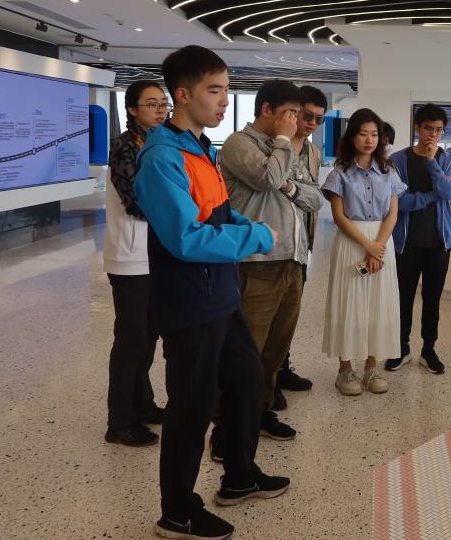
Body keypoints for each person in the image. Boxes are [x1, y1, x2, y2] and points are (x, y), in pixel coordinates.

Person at [135, 46, 288, 540]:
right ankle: (177, 511)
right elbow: (185, 238)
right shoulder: (162, 157)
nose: (224, 100)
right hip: (190, 301)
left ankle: (240, 476)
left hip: (220, 293)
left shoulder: (200, 146)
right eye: (214, 90)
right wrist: (257, 237)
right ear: (183, 94)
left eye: (226, 90)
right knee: (192, 406)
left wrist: (247, 224)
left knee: (245, 377)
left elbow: (218, 211)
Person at [218, 79, 324, 447]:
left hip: (292, 261)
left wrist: (289, 186)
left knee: (275, 350)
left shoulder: (285, 150)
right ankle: (227, 428)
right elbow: (267, 178)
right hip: (256, 263)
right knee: (246, 351)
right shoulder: (240, 144)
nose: (296, 121)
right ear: (267, 110)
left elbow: (315, 199)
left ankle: (260, 412)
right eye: (290, 113)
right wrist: (282, 145)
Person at [321, 109, 406, 396]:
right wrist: (367, 246)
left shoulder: (390, 171)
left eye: (374, 134)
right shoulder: (340, 173)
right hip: (352, 241)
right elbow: (339, 216)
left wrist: (377, 247)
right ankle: (345, 370)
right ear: (351, 137)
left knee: (379, 303)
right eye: (362, 134)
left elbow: (393, 213)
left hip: (382, 242)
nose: (369, 140)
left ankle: (371, 368)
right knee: (349, 303)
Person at [103, 79, 167, 448]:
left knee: (147, 337)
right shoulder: (124, 146)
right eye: (151, 104)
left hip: (153, 255)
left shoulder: (158, 144)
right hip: (129, 258)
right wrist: (177, 209)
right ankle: (119, 422)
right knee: (130, 341)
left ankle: (143, 405)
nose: (160, 110)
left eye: (163, 104)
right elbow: (135, 200)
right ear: (131, 109)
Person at [386, 104, 451, 374]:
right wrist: (430, 196)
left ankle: (429, 349)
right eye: (429, 128)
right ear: (417, 128)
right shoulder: (398, 160)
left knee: (432, 299)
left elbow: (448, 192)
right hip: (406, 243)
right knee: (403, 298)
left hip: (438, 244)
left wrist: (431, 163)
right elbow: (398, 201)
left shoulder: (447, 160)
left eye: (439, 130)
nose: (434, 135)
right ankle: (401, 347)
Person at [270, 85, 329, 410]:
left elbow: (314, 198)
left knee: (289, 313)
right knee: (270, 314)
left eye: (319, 119)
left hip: (302, 242)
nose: (312, 123)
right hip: (272, 242)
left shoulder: (313, 152)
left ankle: (282, 368)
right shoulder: (274, 145)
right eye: (307, 116)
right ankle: (267, 379)